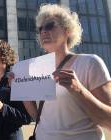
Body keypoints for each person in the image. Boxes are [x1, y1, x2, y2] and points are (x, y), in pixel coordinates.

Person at [22, 4, 111, 140]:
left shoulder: (90, 63)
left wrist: (79, 90)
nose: (43, 31)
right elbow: (38, 117)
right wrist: (23, 92)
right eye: (40, 29)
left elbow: (108, 121)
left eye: (50, 25)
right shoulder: (38, 70)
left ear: (67, 30)